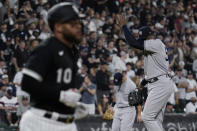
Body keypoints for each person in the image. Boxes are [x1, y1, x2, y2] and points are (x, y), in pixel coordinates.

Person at [19, 2, 87, 131]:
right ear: (58, 27)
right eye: (73, 24)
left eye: (79, 23)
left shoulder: (73, 51)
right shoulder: (46, 49)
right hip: (41, 122)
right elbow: (27, 84)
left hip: (67, 124)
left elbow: (57, 87)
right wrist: (60, 96)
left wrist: (71, 107)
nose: (79, 27)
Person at [117, 15, 174, 131]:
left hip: (160, 84)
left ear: (150, 36)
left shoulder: (156, 42)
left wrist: (124, 26)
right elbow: (152, 73)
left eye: (144, 39)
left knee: (147, 117)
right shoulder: (151, 49)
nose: (142, 42)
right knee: (156, 120)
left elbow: (133, 43)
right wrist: (141, 85)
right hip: (158, 83)